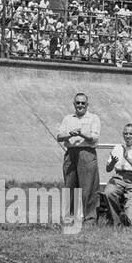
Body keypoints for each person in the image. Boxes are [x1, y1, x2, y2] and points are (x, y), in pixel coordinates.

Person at [56, 92, 101, 224]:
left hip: (87, 152)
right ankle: (70, 217)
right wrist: (70, 134)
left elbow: (94, 137)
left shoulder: (94, 118)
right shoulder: (68, 118)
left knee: (89, 187)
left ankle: (90, 218)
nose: (80, 105)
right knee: (70, 186)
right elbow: (59, 136)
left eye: (83, 103)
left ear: (87, 105)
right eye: (78, 103)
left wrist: (82, 133)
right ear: (74, 104)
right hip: (70, 153)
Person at [103, 123, 132, 226]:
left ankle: (127, 221)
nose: (128, 136)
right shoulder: (117, 148)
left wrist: (127, 158)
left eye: (131, 134)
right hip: (119, 177)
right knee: (109, 192)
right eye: (125, 133)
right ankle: (117, 221)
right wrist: (112, 163)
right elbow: (108, 169)